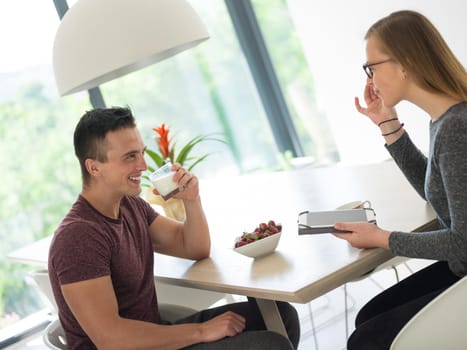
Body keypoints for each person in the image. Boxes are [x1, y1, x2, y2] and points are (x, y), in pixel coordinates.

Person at [48, 107, 300, 350]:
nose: (143, 165)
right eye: (130, 157)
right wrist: (202, 331)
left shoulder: (131, 206)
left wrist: (191, 199)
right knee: (271, 344)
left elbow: (194, 247)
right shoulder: (78, 237)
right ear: (94, 167)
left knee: (280, 316)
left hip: (155, 334)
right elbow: (111, 340)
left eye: (141, 153)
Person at [332, 10, 467, 349]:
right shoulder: (446, 120)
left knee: (366, 339)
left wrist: (382, 238)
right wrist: (387, 123)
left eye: (371, 67)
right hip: (460, 267)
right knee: (367, 318)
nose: (370, 79)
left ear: (404, 62)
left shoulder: (456, 127)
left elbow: (463, 243)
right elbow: (435, 191)